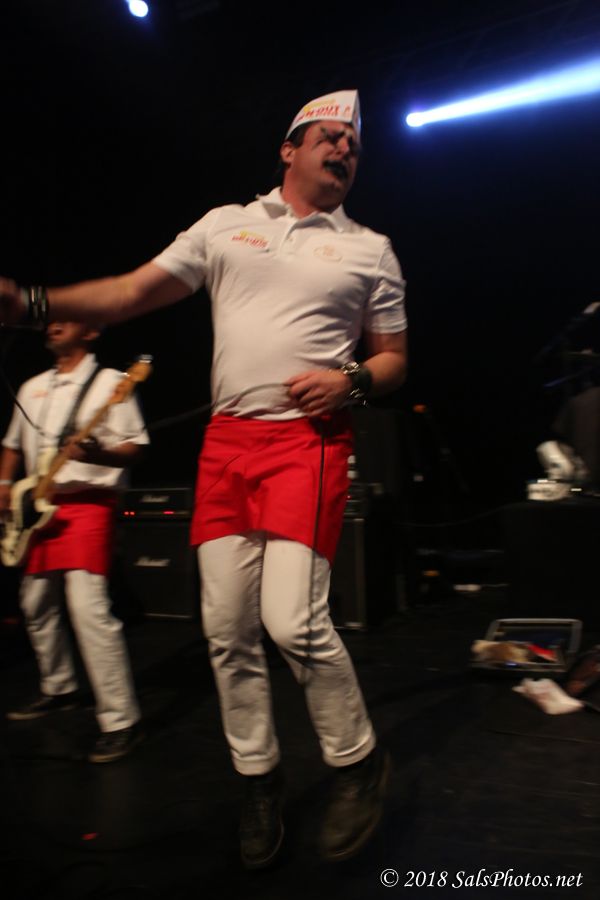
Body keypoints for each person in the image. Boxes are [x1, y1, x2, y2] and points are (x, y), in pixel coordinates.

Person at [0, 89, 408, 864]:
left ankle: (358, 763)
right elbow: (129, 293)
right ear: (288, 150)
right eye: (329, 137)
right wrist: (31, 302)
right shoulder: (226, 226)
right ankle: (258, 779)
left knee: (292, 621)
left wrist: (352, 380)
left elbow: (393, 360)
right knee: (225, 630)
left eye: (354, 145)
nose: (345, 150)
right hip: (228, 445)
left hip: (307, 442)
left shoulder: (370, 249)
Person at [0, 320, 149, 762]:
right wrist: (4, 483)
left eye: (66, 318)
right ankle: (59, 686)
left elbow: (135, 446)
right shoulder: (31, 387)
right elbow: (12, 443)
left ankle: (121, 719)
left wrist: (96, 452)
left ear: (92, 331)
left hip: (88, 502)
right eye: (51, 320)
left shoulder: (111, 383)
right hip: (38, 504)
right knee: (35, 603)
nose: (54, 324)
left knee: (88, 608)